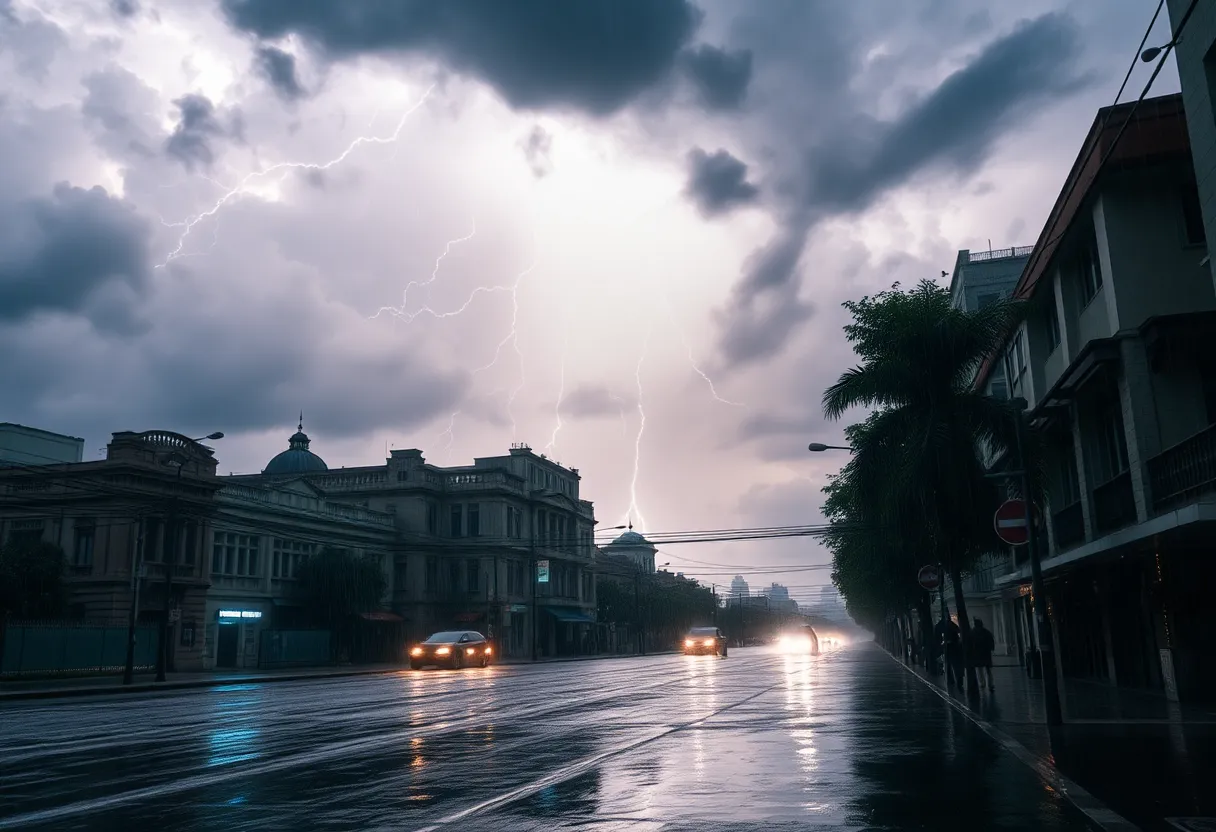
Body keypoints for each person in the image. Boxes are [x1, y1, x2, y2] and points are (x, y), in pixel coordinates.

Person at [935, 610, 962, 688]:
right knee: (952, 665)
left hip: (950, 649)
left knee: (951, 665)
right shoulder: (948, 625)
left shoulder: (944, 625)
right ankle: (955, 680)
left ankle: (953, 680)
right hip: (951, 649)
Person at [972, 618, 996, 691]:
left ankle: (982, 683)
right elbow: (991, 641)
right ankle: (990, 684)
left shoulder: (973, 632)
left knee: (980, 670)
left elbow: (971, 643)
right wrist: (991, 648)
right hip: (986, 653)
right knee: (988, 670)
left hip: (978, 653)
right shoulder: (986, 632)